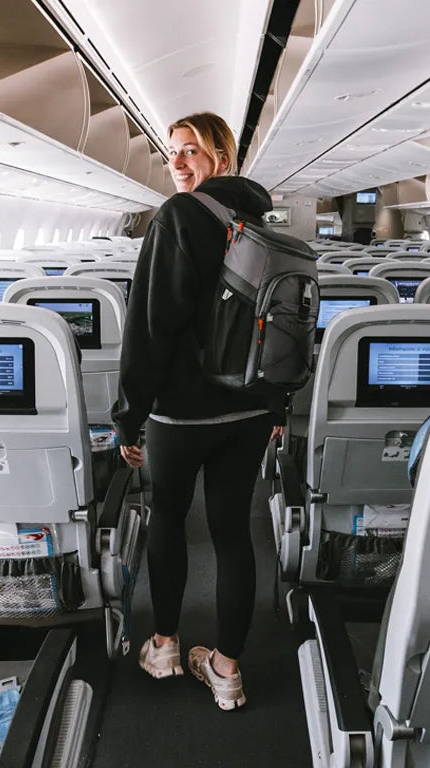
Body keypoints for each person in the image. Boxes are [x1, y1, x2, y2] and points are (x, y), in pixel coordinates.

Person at [111, 111, 284, 711]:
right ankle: (227, 670)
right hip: (249, 409)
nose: (178, 162)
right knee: (233, 532)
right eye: (172, 151)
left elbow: (151, 327)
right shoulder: (258, 220)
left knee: (168, 519)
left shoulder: (179, 216)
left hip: (183, 413)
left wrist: (128, 416)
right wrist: (276, 402)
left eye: (192, 151)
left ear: (221, 157)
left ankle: (163, 646)